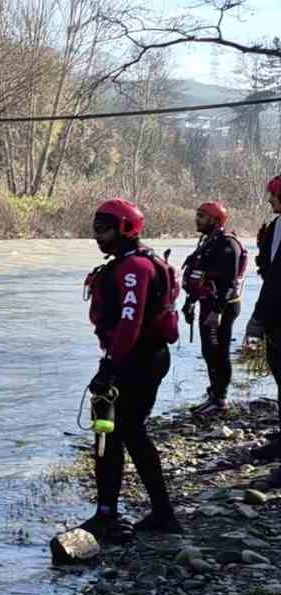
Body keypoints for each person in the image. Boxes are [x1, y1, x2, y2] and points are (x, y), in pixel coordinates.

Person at [79, 197, 182, 540]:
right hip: (135, 358)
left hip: (135, 360)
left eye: (104, 229)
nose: (98, 236)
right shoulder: (132, 262)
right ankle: (157, 512)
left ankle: (111, 514)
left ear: (125, 228)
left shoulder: (136, 268)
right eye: (95, 228)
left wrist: (110, 365)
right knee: (119, 430)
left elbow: (129, 321)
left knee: (115, 431)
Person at [182, 200, 246, 415]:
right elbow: (198, 273)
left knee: (219, 352)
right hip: (208, 304)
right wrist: (189, 302)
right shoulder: (208, 241)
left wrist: (217, 312)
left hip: (223, 306)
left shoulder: (228, 244)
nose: (196, 219)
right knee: (209, 351)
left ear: (215, 219)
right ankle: (214, 394)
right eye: (197, 214)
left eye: (201, 215)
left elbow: (229, 282)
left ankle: (220, 400)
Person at [246, 177, 281, 471]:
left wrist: (256, 319)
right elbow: (269, 273)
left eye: (274, 195)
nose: (270, 201)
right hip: (276, 317)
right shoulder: (274, 227)